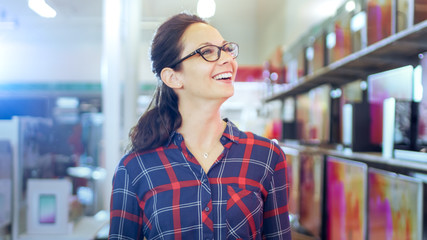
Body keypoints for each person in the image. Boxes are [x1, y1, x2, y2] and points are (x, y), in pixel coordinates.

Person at [109, 12, 292, 240]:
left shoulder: (266, 156)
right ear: (173, 77)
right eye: (207, 52)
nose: (227, 59)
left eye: (226, 49)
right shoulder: (135, 168)